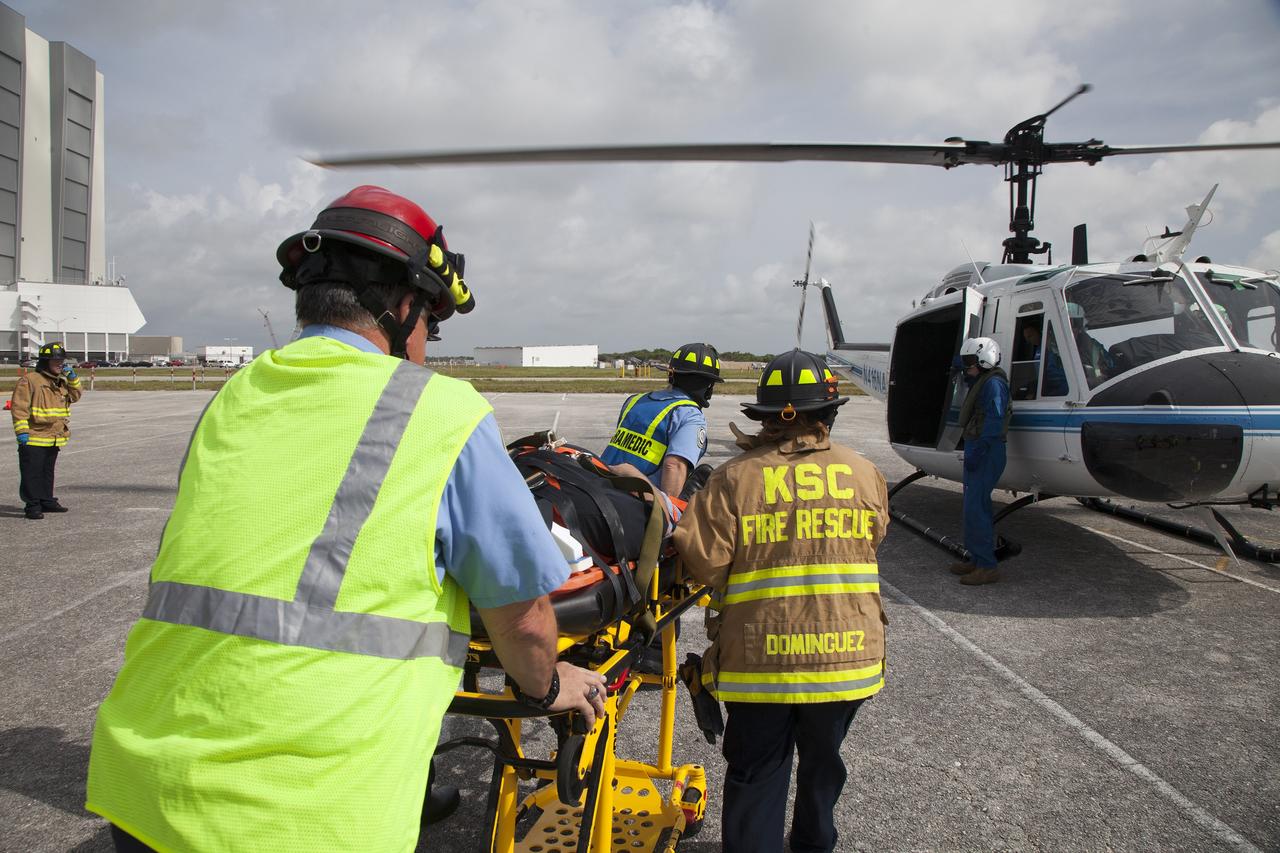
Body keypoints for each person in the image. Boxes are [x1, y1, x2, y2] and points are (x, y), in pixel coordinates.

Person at [85, 186, 608, 853]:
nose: (426, 346)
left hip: (145, 788)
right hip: (300, 815)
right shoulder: (439, 410)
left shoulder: (234, 396)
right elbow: (523, 613)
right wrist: (548, 684)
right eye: (431, 325)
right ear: (404, 304)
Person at [674, 349, 890, 853]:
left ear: (767, 417)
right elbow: (873, 539)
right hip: (847, 660)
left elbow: (705, 562)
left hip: (761, 664)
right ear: (829, 412)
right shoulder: (865, 473)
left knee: (757, 772)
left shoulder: (733, 480)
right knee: (823, 764)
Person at [600, 342, 722, 498]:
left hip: (601, 485)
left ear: (672, 374)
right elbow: (674, 465)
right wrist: (669, 514)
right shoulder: (690, 415)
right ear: (707, 385)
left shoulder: (634, 400)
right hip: (635, 503)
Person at [949, 337, 1011, 585]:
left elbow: (995, 421)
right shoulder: (984, 379)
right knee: (972, 508)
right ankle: (976, 558)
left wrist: (980, 450)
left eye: (971, 363)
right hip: (979, 447)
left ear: (985, 360)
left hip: (987, 449)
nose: (967, 368)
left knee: (978, 509)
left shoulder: (994, 384)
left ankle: (987, 566)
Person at [11, 341, 82, 519]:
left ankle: (46, 500)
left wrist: (73, 379)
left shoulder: (61, 381)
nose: (60, 364)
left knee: (47, 471)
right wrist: (22, 432)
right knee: (32, 472)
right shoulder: (30, 381)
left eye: (61, 361)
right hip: (34, 436)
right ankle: (32, 505)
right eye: (55, 361)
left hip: (54, 436)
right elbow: (19, 408)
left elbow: (75, 396)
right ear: (45, 362)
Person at [1067, 302, 1115, 386]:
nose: (1074, 329)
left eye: (1077, 324)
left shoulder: (1093, 346)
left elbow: (1109, 366)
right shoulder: (1051, 349)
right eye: (1072, 323)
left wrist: (1100, 377)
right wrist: (1086, 382)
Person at [1021, 322, 1068, 396]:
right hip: (1045, 387)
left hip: (1060, 387)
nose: (1028, 341)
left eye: (1030, 336)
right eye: (1026, 338)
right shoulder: (1038, 350)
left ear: (1039, 332)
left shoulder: (1052, 347)